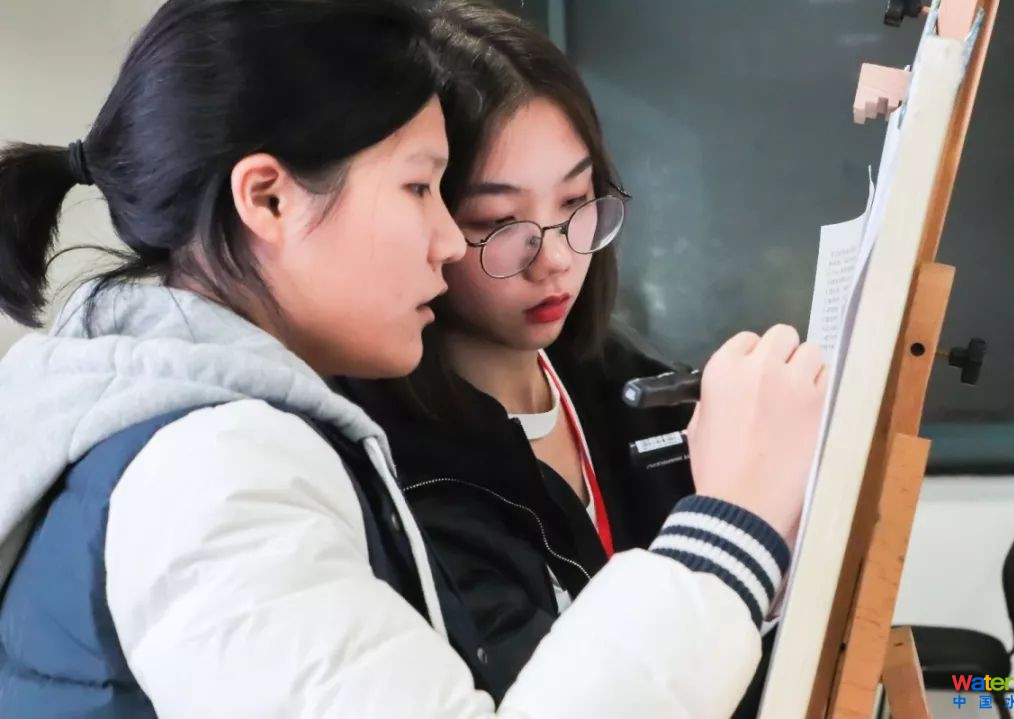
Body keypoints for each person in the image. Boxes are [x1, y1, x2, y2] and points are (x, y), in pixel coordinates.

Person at [0, 1, 825, 717]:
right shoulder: (211, 474)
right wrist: (730, 532)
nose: (446, 242)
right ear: (269, 198)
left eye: (577, 203)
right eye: (421, 189)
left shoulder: (182, 431)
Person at [334, 1, 809, 709]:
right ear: (426, 219)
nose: (555, 258)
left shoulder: (622, 380)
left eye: (576, 200)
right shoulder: (397, 468)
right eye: (499, 222)